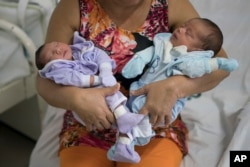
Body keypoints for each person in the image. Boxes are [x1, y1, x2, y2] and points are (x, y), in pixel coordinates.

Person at [30, 0, 231, 167]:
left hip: (153, 126)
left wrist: (176, 87)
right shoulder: (74, 7)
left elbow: (221, 64)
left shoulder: (171, 5)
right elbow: (44, 78)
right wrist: (75, 98)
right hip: (90, 124)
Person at [108, 17, 238, 163]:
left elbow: (202, 68)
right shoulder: (163, 44)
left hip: (161, 113)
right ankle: (125, 140)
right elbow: (150, 54)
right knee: (125, 112)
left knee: (140, 120)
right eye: (183, 26)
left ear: (197, 49)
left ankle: (127, 142)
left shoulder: (191, 60)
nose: (180, 29)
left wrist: (218, 63)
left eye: (188, 33)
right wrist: (139, 61)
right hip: (130, 97)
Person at [36, 31, 145, 163]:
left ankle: (123, 145)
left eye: (57, 44)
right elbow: (77, 79)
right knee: (110, 95)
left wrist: (105, 70)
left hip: (126, 98)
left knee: (124, 118)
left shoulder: (81, 50)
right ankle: (124, 120)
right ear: (50, 66)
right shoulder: (60, 71)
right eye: (53, 54)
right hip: (89, 106)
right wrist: (99, 80)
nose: (58, 49)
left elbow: (99, 54)